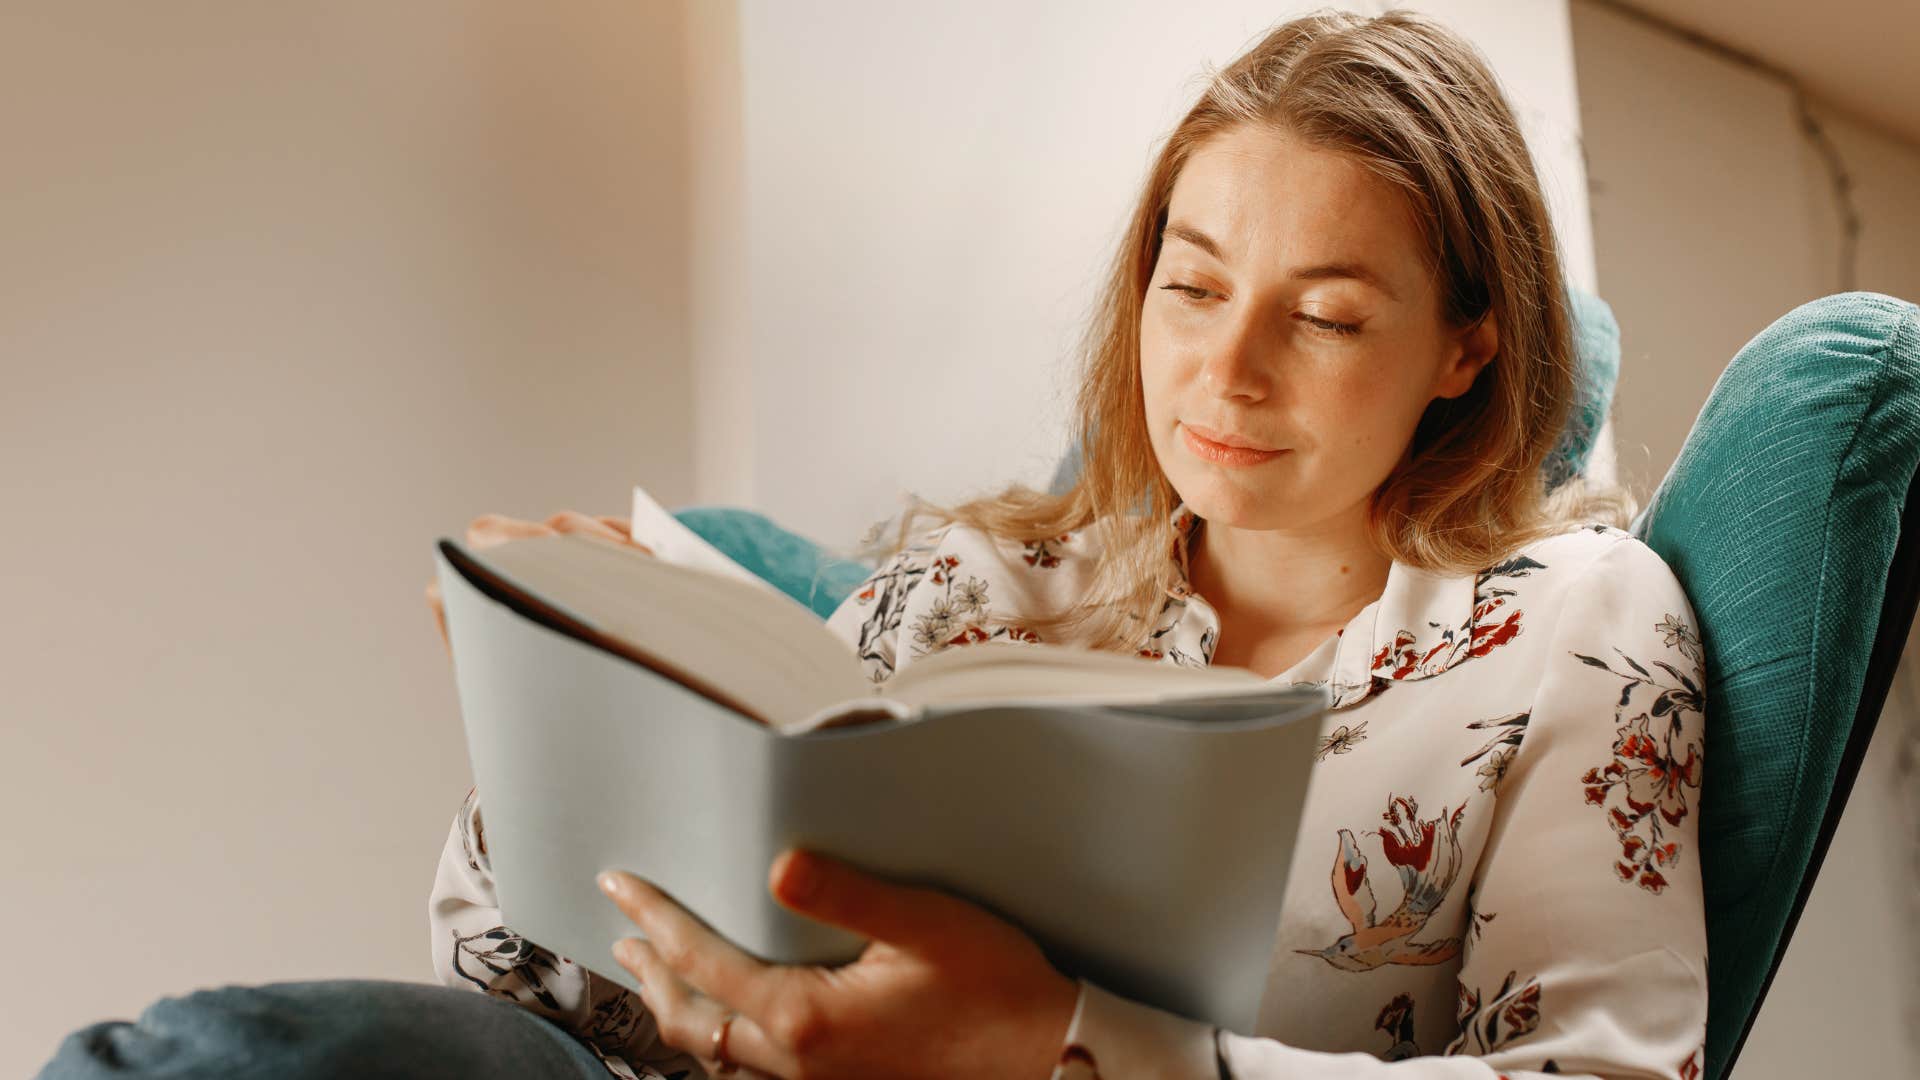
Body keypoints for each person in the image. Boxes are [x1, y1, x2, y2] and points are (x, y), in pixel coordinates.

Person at [424, 9, 1706, 1080]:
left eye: (1323, 317)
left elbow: (1603, 1070)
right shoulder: (970, 587)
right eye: (1193, 287)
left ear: (1466, 347)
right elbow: (538, 983)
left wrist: (1060, 1042)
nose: (1228, 371)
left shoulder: (1573, 629)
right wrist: (566, 702)